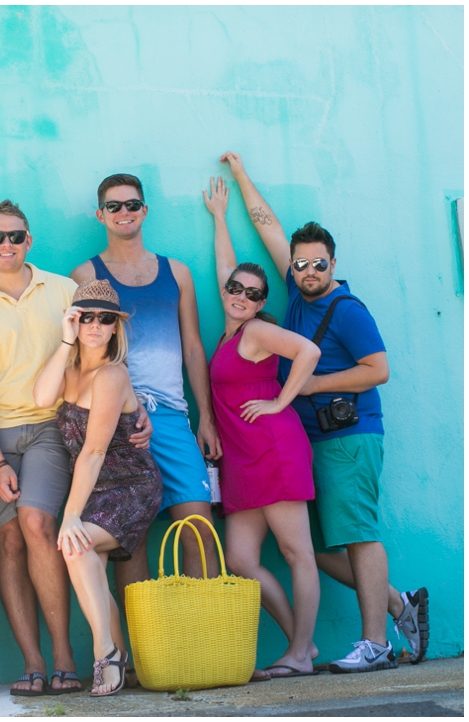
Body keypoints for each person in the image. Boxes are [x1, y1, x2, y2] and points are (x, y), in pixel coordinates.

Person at [220, 151, 430, 672]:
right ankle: (402, 603)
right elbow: (266, 224)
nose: (309, 270)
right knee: (321, 545)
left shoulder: (348, 309)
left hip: (349, 435)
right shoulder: (292, 292)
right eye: (300, 262)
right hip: (306, 441)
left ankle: (376, 643)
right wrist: (241, 176)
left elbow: (377, 369)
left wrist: (307, 385)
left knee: (356, 532)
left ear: (333, 264)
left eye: (319, 262)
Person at [0, 200, 152, 696]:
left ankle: (75, 657)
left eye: (16, 236)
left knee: (42, 527)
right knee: (11, 541)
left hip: (53, 435)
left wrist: (135, 405)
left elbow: (102, 383)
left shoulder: (65, 291)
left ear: (29, 240)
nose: (7, 245)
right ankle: (41, 662)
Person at [71, 174, 222, 621]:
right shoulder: (85, 275)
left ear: (145, 211)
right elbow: (85, 352)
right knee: (128, 536)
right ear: (100, 215)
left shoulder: (177, 272)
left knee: (198, 526)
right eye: (114, 207)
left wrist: (205, 418)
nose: (124, 213)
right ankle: (143, 658)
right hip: (118, 420)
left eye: (132, 205)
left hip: (173, 418)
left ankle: (210, 639)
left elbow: (193, 347)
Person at [202, 176, 322, 679]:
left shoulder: (256, 330)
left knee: (297, 552)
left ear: (260, 302)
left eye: (252, 294)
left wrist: (279, 402)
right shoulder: (232, 330)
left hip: (272, 449)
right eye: (235, 289)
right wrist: (219, 220)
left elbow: (308, 352)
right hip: (242, 460)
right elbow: (226, 268)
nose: (240, 296)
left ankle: (299, 650)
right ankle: (302, 643)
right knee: (241, 558)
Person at [33, 279, 162, 697]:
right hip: (96, 490)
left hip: (130, 485)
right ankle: (117, 657)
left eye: (104, 319)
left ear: (114, 328)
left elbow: (93, 452)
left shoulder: (111, 375)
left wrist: (71, 515)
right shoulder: (71, 370)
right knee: (81, 553)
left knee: (76, 541)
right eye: (85, 317)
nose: (95, 325)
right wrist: (64, 341)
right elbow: (41, 397)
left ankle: (105, 652)